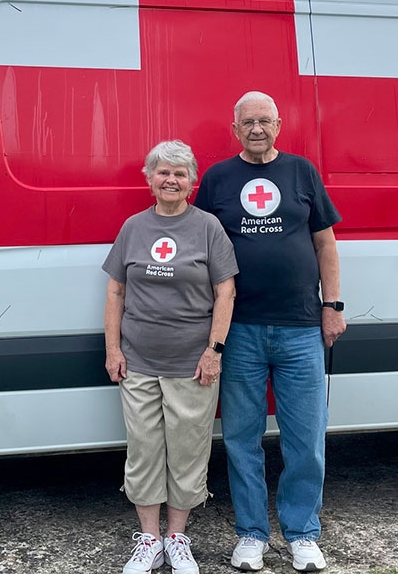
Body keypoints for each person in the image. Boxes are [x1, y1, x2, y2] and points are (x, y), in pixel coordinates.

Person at [195, 91, 346, 572]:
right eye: (247, 122)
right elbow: (201, 249)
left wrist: (332, 305)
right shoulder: (218, 178)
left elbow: (325, 244)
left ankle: (303, 534)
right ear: (234, 129)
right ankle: (251, 535)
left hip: (302, 328)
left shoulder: (301, 172)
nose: (256, 129)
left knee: (306, 437)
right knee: (241, 437)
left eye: (264, 120)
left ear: (279, 125)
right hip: (240, 330)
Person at [103, 139, 238, 574]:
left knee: (186, 451)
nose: (171, 180)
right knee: (143, 451)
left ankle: (178, 539)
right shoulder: (133, 228)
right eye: (163, 172)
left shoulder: (208, 228)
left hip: (192, 365)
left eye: (180, 173)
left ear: (192, 181)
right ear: (149, 179)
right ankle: (150, 540)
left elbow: (225, 292)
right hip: (138, 362)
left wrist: (214, 350)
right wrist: (112, 348)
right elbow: (116, 291)